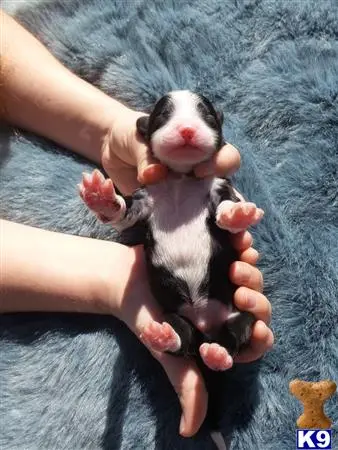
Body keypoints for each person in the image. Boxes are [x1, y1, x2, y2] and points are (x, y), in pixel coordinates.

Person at [0, 10, 273, 438]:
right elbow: (130, 214)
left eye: (201, 118)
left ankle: (226, 342)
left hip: (220, 302)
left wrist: (110, 130)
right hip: (178, 306)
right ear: (148, 131)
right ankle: (191, 343)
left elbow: (224, 211)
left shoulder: (214, 184)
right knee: (177, 329)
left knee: (241, 321)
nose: (186, 129)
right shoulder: (155, 193)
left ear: (218, 131)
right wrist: (112, 211)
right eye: (170, 118)